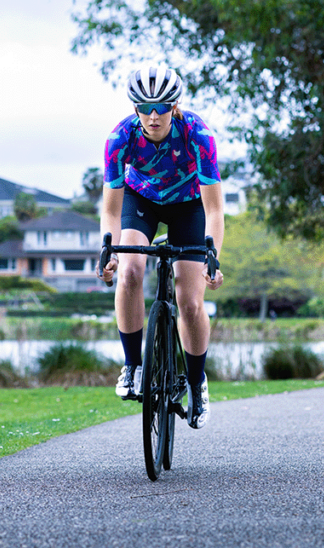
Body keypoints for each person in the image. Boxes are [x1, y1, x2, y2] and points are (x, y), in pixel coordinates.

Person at [97, 63, 224, 429]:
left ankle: (197, 382)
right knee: (131, 271)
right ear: (134, 107)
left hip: (189, 205)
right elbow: (111, 209)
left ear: (175, 105)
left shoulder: (198, 134)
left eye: (163, 107)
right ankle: (133, 366)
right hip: (142, 202)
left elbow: (214, 208)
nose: (154, 116)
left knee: (190, 300)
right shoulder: (119, 139)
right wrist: (108, 253)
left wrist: (213, 257)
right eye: (145, 107)